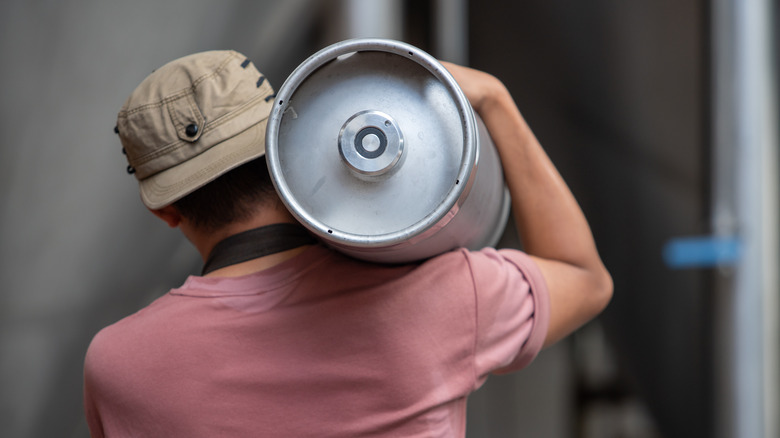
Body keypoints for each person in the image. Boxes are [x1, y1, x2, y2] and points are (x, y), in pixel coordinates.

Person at [83, 49, 612, 437]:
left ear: (164, 210)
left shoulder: (119, 366)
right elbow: (584, 278)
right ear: (289, 142)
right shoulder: (446, 298)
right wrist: (495, 99)